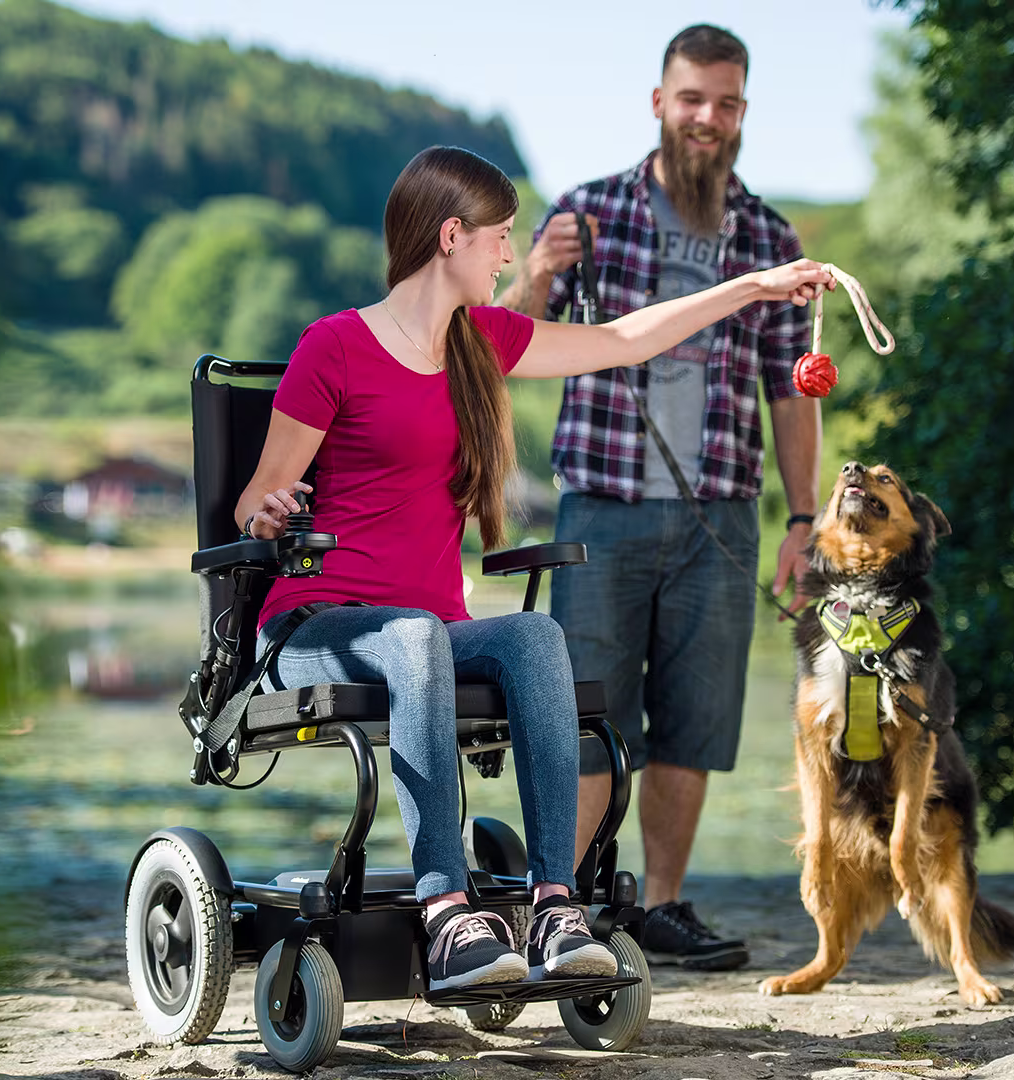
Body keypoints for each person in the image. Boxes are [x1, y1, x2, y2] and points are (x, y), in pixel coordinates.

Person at [235, 145, 830, 991]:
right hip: (317, 626)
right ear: (452, 236)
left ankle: (554, 904)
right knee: (413, 638)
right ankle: (446, 910)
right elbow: (255, 495)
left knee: (534, 636)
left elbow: (626, 339)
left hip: (430, 631)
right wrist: (265, 511)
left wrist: (754, 288)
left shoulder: (481, 343)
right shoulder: (333, 346)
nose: (511, 256)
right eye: (500, 238)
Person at [494, 24, 820, 973]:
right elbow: (501, 346)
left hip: (721, 514)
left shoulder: (767, 237)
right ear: (659, 103)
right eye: (692, 99)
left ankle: (662, 906)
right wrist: (543, 271)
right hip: (601, 512)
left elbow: (789, 393)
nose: (708, 118)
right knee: (585, 710)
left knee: (697, 716)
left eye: (726, 102)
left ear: (743, 113)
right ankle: (573, 905)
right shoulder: (590, 212)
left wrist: (802, 519)